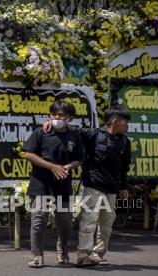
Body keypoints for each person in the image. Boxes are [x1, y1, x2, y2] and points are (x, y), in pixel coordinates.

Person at [43, 105, 131, 267]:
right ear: (115, 121)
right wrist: (50, 122)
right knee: (89, 220)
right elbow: (70, 128)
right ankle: (83, 255)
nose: (128, 125)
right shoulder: (93, 135)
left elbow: (125, 167)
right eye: (125, 122)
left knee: (106, 225)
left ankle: (97, 254)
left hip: (112, 188)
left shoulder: (125, 141)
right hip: (93, 184)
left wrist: (123, 188)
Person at [22, 101, 84, 268]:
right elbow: (28, 154)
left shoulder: (74, 135)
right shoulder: (41, 132)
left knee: (64, 220)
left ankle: (62, 249)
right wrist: (52, 167)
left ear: (69, 117)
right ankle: (37, 255)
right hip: (41, 182)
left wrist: (68, 167)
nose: (57, 117)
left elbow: (79, 159)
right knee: (38, 218)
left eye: (61, 115)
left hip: (63, 183)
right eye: (54, 114)